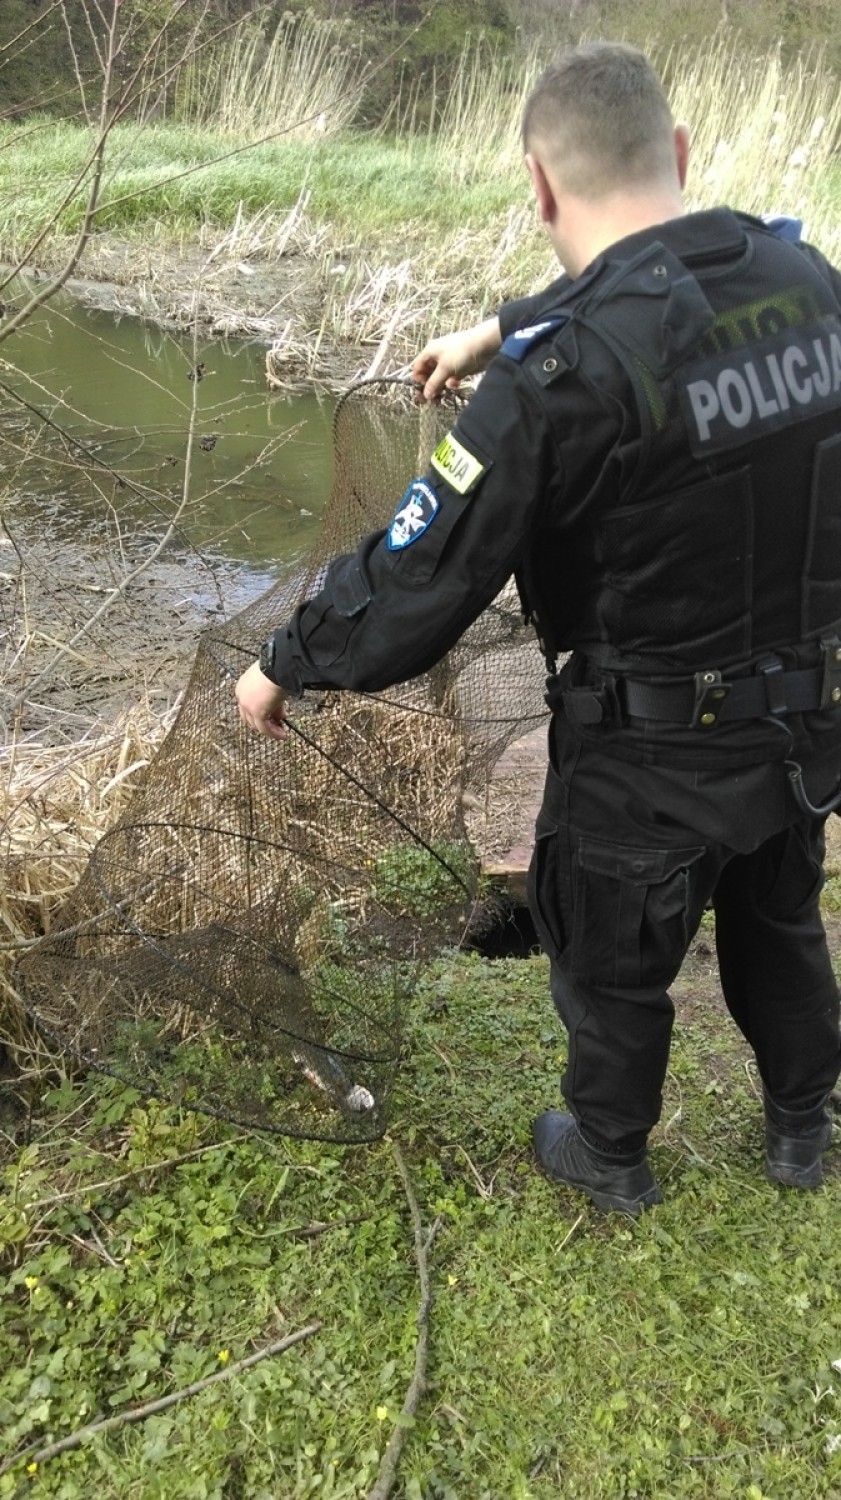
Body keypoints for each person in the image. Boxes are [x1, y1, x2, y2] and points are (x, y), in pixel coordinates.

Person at [236, 41, 841, 1215]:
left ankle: (609, 1151)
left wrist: (285, 661)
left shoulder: (553, 380)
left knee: (611, 953)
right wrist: (498, 326)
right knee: (778, 911)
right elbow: (671, 287)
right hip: (796, 720)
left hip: (645, 749)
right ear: (675, 151)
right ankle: (800, 1131)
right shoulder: (805, 280)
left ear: (538, 187)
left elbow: (420, 572)